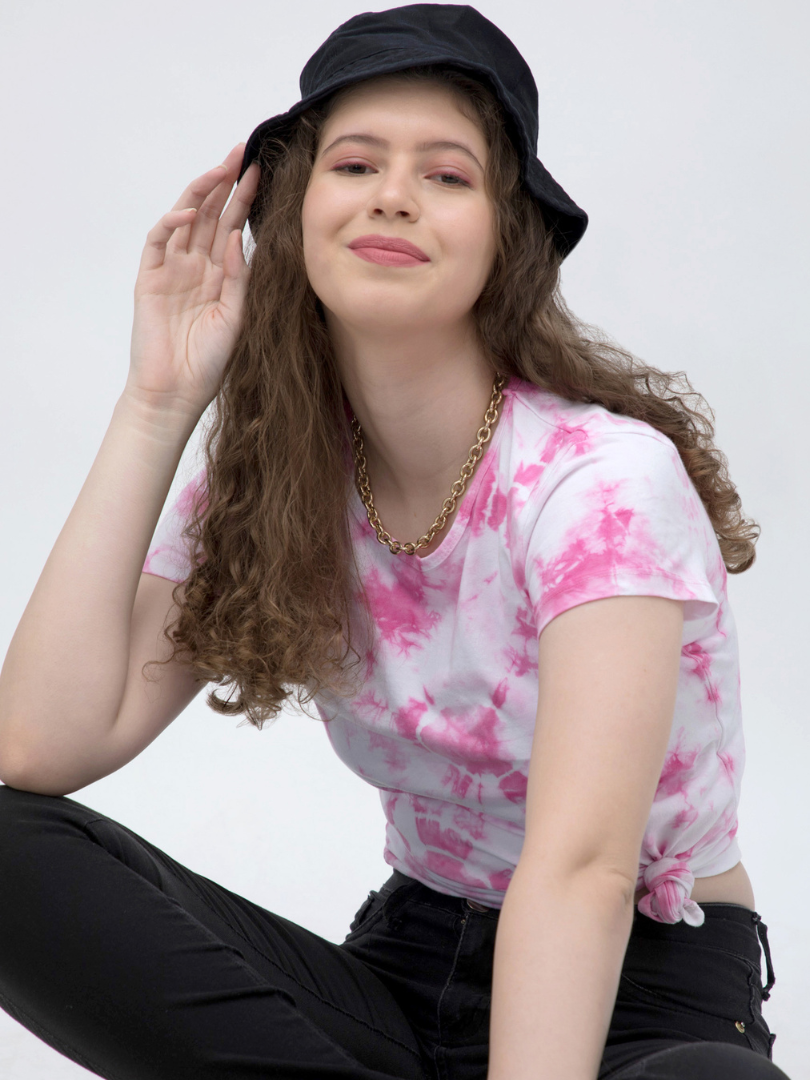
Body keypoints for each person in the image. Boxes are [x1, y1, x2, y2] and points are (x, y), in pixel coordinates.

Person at [0, 5, 790, 1079]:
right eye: (356, 163)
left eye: (447, 175)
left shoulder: (599, 484)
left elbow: (582, 873)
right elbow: (39, 746)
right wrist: (158, 401)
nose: (393, 195)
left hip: (636, 993)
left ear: (507, 237)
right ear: (294, 211)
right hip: (406, 970)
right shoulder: (279, 475)